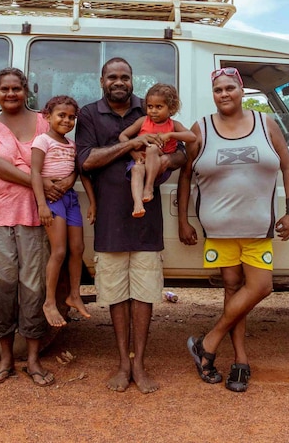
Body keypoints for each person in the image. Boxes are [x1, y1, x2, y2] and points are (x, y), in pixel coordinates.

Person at [177, 66, 289, 392]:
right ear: (213, 94)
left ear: (241, 90)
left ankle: (209, 343)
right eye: (218, 90)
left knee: (259, 287)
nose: (224, 94)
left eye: (230, 88)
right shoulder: (200, 128)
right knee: (234, 293)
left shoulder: (265, 124)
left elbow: (287, 165)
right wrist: (182, 220)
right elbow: (186, 175)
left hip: (259, 227)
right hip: (218, 229)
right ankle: (240, 361)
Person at [75, 58, 186, 394]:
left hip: (145, 220)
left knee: (145, 293)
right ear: (102, 81)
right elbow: (86, 160)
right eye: (112, 77)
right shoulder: (89, 114)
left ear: (132, 80)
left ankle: (140, 363)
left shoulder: (150, 108)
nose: (119, 81)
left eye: (125, 76)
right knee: (116, 294)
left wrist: (166, 159)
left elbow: (182, 152)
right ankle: (123, 362)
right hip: (109, 219)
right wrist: (131, 145)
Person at [0, 67, 73, 387]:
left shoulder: (44, 121)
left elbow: (67, 157)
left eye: (17, 88)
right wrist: (39, 180)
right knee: (1, 286)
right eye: (5, 89)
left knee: (34, 287)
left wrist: (64, 182)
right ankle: (5, 359)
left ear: (26, 90)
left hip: (37, 217)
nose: (11, 94)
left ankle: (32, 359)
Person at [30, 94, 94, 327]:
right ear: (47, 116)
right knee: (58, 251)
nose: (67, 121)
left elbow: (77, 169)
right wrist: (41, 205)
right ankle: (49, 301)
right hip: (52, 201)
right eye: (61, 116)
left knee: (77, 248)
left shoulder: (72, 145)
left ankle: (74, 294)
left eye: (71, 117)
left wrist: (70, 179)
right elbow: (35, 173)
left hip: (70, 199)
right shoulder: (42, 141)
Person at [118, 83, 196, 219]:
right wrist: (133, 153)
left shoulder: (173, 125)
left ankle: (148, 187)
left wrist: (171, 135)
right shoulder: (143, 121)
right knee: (136, 170)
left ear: (171, 108)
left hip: (159, 161)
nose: (153, 111)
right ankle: (137, 204)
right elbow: (123, 136)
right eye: (150, 106)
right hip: (142, 159)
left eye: (159, 107)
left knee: (152, 148)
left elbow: (192, 137)